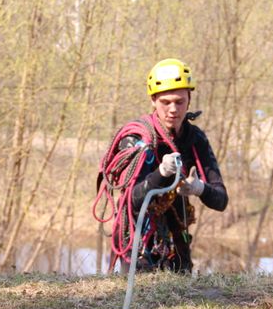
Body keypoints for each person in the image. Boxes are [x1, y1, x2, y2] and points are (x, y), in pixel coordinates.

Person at [95, 58, 228, 273]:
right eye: (166, 102)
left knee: (179, 293)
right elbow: (133, 198)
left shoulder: (195, 139)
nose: (173, 109)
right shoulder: (137, 137)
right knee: (141, 292)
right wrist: (161, 172)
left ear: (189, 100)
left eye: (180, 101)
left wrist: (199, 188)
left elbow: (221, 200)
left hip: (176, 232)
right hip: (137, 232)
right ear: (153, 100)